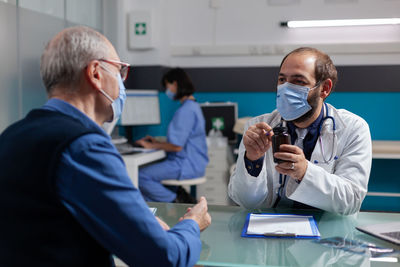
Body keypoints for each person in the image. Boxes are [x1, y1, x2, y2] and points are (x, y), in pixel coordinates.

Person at [0, 26, 211, 266]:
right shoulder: (84, 147)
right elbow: (166, 258)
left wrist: (138, 223)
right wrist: (191, 223)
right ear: (96, 73)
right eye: (120, 72)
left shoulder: (11, 136)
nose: (123, 84)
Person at [228, 47, 372, 215]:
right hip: (271, 229)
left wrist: (305, 172)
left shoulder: (353, 128)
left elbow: (351, 200)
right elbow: (245, 202)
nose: (286, 88)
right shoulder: (258, 126)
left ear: (324, 88)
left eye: (299, 81)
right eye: (282, 80)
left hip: (327, 232)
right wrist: (252, 161)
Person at [136, 68, 209, 203]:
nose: (166, 91)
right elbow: (182, 140)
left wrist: (151, 145)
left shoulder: (185, 110)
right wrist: (157, 142)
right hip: (193, 162)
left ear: (175, 84)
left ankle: (176, 201)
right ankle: (176, 196)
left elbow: (176, 147)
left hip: (184, 163)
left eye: (167, 86)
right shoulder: (193, 106)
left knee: (140, 176)